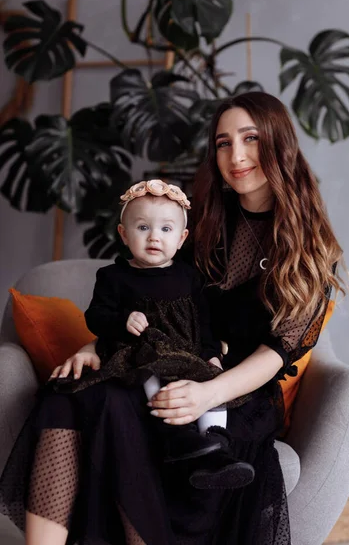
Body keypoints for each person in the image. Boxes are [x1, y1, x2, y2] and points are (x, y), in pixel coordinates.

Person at [0, 92, 346, 545]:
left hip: (232, 394)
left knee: (124, 407)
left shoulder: (311, 249)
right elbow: (146, 292)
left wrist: (207, 394)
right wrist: (94, 347)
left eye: (250, 139)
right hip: (156, 360)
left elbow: (277, 352)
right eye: (223, 143)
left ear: (279, 144)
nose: (236, 156)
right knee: (69, 393)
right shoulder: (197, 223)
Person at [53, 178, 254, 488]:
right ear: (123, 233)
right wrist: (122, 320)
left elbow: (205, 323)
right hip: (139, 353)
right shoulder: (113, 277)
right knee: (150, 367)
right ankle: (174, 435)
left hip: (188, 352)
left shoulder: (189, 276)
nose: (154, 237)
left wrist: (212, 354)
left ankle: (216, 446)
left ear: (182, 237)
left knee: (212, 380)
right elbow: (96, 317)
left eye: (165, 229)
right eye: (143, 227)